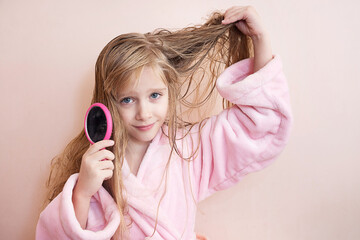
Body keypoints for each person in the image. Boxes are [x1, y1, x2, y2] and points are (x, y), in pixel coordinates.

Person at [36, 6, 293, 240]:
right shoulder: (100, 164)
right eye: (127, 100)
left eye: (155, 96)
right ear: (108, 102)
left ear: (170, 92)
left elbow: (258, 123)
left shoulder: (189, 148)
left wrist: (260, 39)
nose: (144, 113)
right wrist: (82, 192)